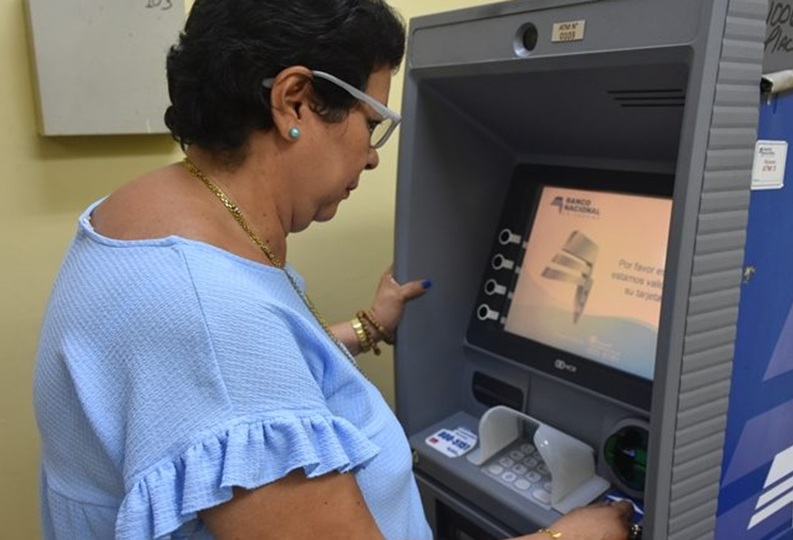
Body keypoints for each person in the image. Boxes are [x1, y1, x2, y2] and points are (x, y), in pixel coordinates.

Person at [33, 0, 638, 538]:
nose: (373, 158)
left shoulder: (142, 216)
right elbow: (221, 365)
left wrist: (367, 326)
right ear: (294, 100)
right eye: (372, 123)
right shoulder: (209, 317)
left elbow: (219, 388)